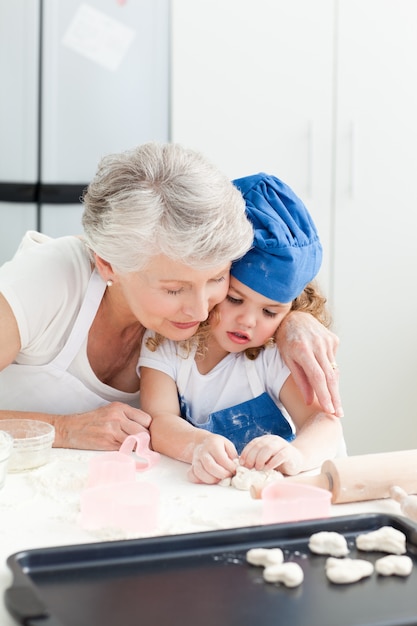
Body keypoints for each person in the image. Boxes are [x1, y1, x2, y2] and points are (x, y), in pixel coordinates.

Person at [0, 143, 342, 451]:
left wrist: (293, 318)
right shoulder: (46, 280)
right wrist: (63, 430)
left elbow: (268, 282)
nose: (200, 309)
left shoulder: (210, 321)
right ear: (108, 264)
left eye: (217, 278)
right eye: (174, 289)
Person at [138, 173, 345, 484]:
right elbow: (160, 420)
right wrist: (198, 445)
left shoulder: (274, 354)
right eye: (235, 299)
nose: (248, 321)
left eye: (270, 311)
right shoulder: (167, 343)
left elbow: (323, 421)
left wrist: (297, 454)